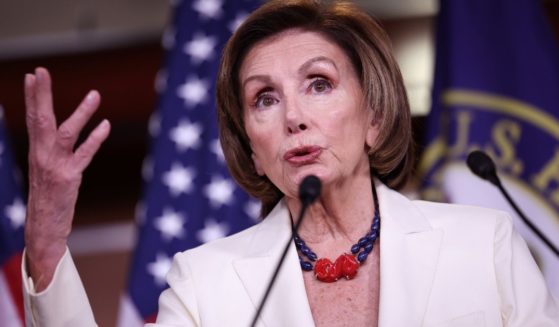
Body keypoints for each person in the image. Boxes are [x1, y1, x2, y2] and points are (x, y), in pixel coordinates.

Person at [21, 0, 558, 326]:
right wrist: (45, 249)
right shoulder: (205, 283)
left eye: (318, 84)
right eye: (264, 99)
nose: (293, 117)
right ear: (252, 148)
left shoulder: (482, 245)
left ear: (375, 117)